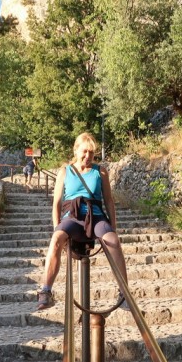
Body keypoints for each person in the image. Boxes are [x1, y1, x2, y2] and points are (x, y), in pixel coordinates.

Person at [37, 132, 130, 311]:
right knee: (55, 240)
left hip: (96, 216)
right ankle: (46, 291)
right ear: (76, 150)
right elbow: (56, 203)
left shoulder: (100, 171)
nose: (88, 156)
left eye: (91, 153)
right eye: (84, 152)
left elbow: (109, 200)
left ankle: (124, 293)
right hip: (72, 217)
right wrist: (57, 228)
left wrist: (113, 226)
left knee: (113, 241)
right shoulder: (65, 171)